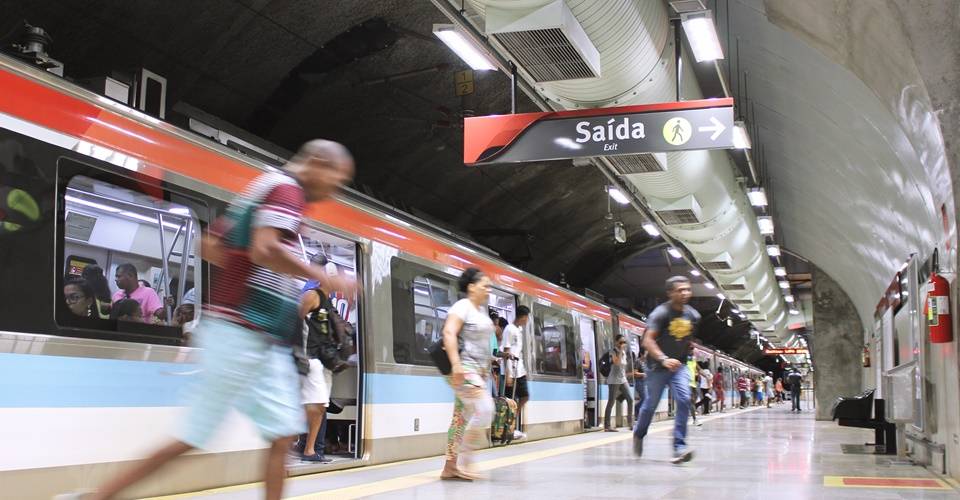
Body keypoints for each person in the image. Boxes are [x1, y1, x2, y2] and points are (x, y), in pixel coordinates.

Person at [59, 139, 357, 500]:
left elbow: (211, 246)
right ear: (317, 163)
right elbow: (265, 249)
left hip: (260, 339)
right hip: (242, 334)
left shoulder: (264, 187)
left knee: (281, 434)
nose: (334, 192)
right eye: (336, 181)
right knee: (195, 434)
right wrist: (325, 277)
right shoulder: (286, 190)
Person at [633, 276, 700, 464]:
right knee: (650, 406)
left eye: (688, 289)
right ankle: (639, 434)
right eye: (680, 290)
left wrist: (684, 357)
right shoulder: (660, 314)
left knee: (684, 399)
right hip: (657, 367)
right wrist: (663, 358)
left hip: (679, 366)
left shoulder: (694, 316)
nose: (685, 293)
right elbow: (647, 340)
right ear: (670, 293)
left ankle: (679, 447)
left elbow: (688, 340)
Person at [441, 268, 495, 481]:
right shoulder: (462, 306)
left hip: (476, 372)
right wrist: (456, 365)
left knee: (460, 419)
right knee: (485, 409)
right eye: (485, 285)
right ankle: (467, 460)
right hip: (463, 368)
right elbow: (449, 332)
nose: (488, 290)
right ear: (471, 287)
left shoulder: (479, 311)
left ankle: (450, 467)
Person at [501, 305, 530, 441]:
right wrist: (507, 374)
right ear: (522, 317)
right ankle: (507, 429)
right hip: (511, 371)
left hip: (519, 370)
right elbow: (506, 351)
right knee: (509, 401)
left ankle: (512, 425)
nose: (527, 320)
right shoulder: (509, 329)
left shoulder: (519, 329)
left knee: (524, 396)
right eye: (527, 317)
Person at [604, 334, 633, 431]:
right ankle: (607, 426)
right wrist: (620, 351)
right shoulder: (613, 351)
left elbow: (623, 367)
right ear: (616, 342)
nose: (622, 344)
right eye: (620, 342)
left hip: (622, 379)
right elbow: (616, 362)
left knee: (630, 399)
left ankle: (630, 423)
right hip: (613, 380)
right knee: (611, 401)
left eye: (624, 342)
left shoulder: (624, 352)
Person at [686, 346, 700, 426]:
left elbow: (698, 369)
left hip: (693, 384)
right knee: (691, 401)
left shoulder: (693, 360)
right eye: (690, 350)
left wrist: (705, 375)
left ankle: (691, 415)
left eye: (692, 350)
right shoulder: (684, 359)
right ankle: (695, 419)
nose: (691, 352)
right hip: (686, 383)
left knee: (693, 401)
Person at [632, 351, 647, 423]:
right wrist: (643, 374)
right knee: (645, 398)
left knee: (646, 399)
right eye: (646, 353)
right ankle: (636, 409)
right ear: (641, 354)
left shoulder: (645, 362)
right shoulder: (638, 361)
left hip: (644, 383)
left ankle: (639, 414)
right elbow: (635, 373)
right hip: (639, 382)